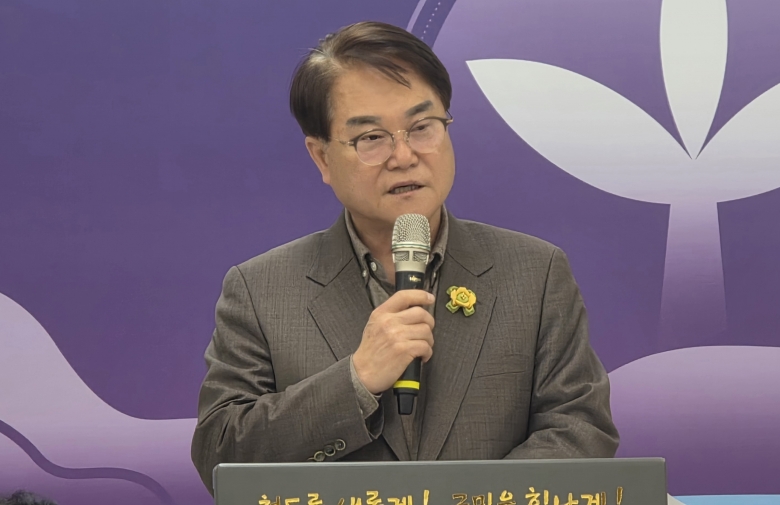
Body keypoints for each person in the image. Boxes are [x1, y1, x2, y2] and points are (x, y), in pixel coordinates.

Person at [191, 21, 619, 492]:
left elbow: (580, 431)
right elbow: (221, 454)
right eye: (371, 138)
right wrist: (355, 380)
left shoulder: (535, 273)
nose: (404, 155)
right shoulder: (261, 290)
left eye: (421, 128)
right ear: (321, 157)